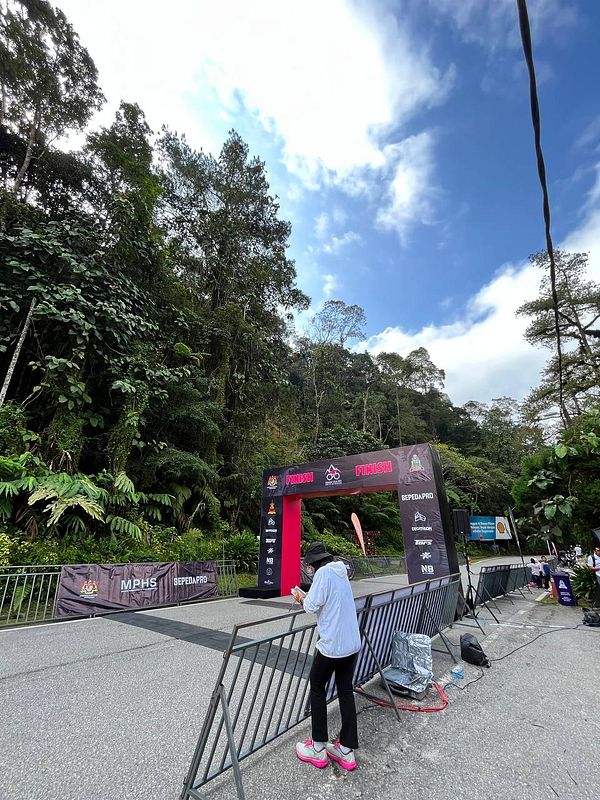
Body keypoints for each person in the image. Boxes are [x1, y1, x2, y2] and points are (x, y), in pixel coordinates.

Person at [293, 542, 361, 771]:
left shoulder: (322, 574)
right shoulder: (341, 572)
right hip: (351, 644)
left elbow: (311, 606)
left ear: (314, 563)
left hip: (332, 645)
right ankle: (346, 750)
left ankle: (318, 746)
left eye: (309, 565)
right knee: (345, 691)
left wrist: (300, 597)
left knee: (317, 686)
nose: (309, 569)